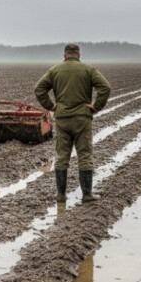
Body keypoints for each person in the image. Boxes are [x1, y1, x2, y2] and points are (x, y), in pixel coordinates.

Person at [34, 43, 111, 203]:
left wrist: (51, 106)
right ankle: (87, 194)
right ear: (79, 55)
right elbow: (105, 87)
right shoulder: (88, 70)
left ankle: (61, 195)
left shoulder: (54, 70)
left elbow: (39, 89)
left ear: (64, 55)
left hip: (62, 119)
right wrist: (96, 106)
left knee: (62, 156)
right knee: (85, 155)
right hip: (82, 119)